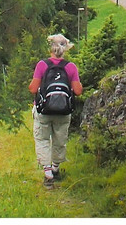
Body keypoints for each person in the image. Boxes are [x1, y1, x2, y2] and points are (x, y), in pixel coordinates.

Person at [28, 33, 83, 185]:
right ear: (66, 49)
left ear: (50, 48)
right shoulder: (71, 67)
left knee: (42, 139)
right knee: (60, 140)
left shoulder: (42, 65)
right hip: (63, 111)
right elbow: (78, 91)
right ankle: (56, 168)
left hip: (43, 110)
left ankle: (47, 173)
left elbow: (33, 89)